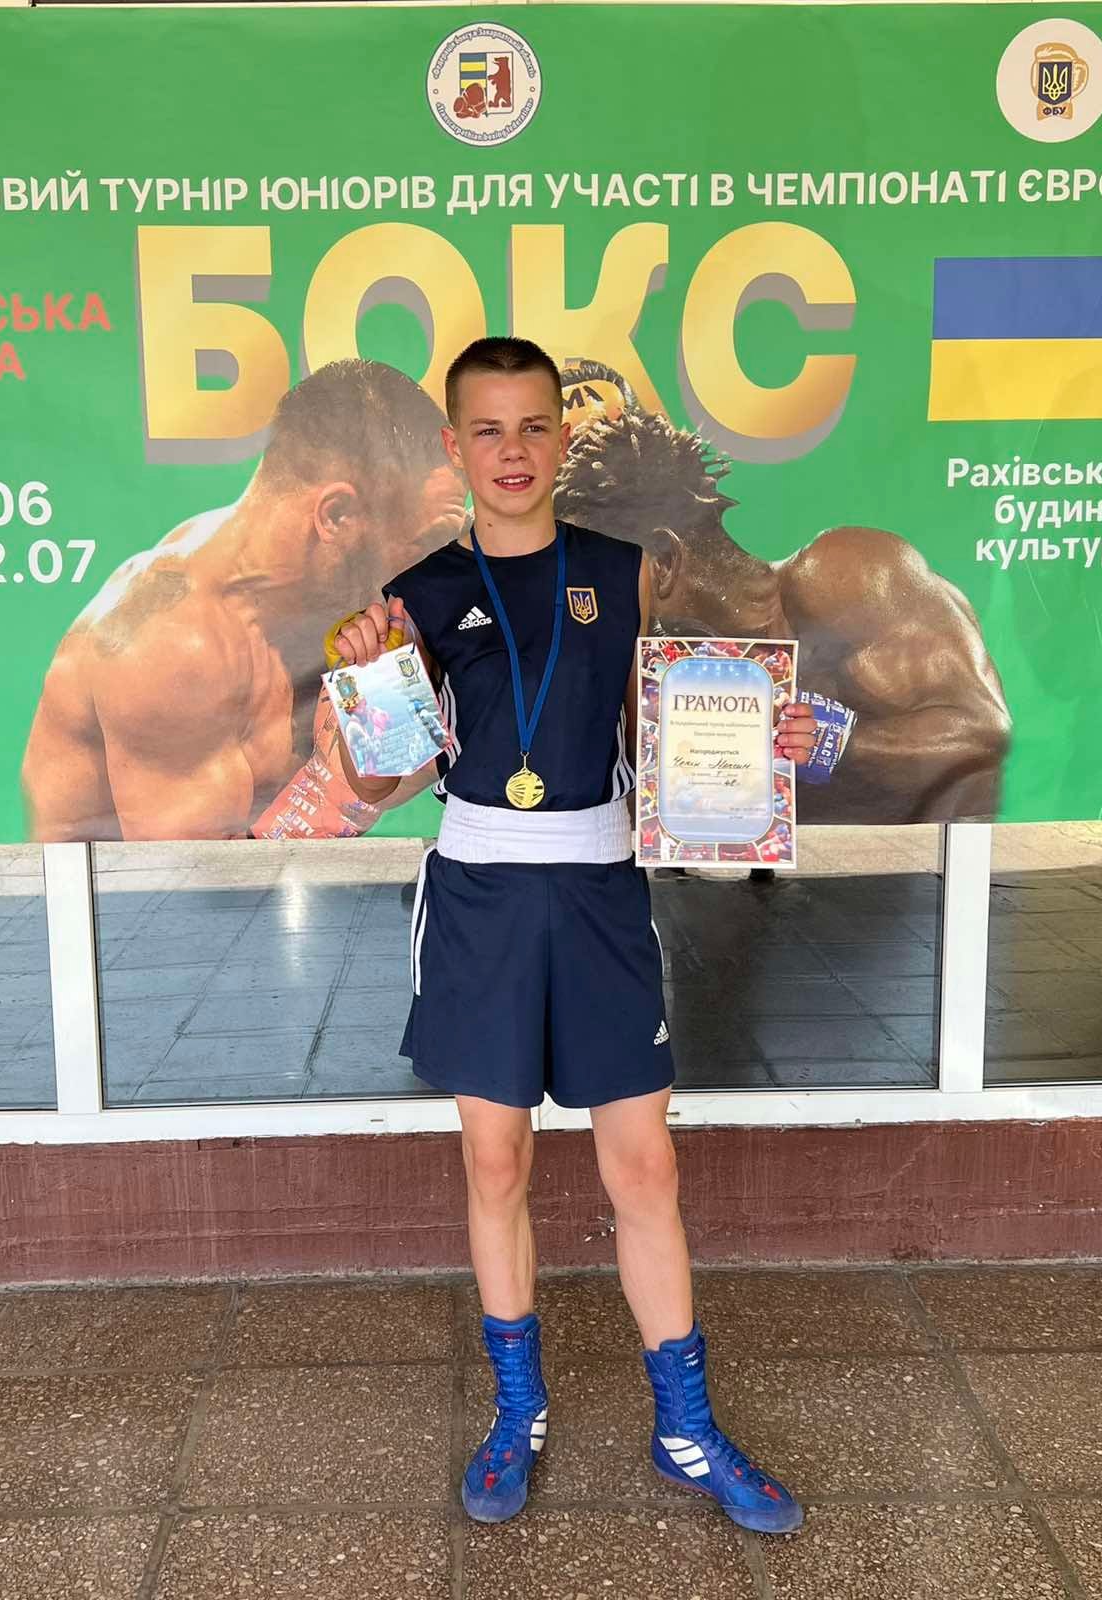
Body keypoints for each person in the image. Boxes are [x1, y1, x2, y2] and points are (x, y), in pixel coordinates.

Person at [329, 336, 817, 1535]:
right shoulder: (417, 595)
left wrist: (778, 739)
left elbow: (676, 728)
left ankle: (686, 1429)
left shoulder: (624, 569)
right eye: (488, 430)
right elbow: (385, 783)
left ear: (561, 436)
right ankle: (517, 1413)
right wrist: (368, 690)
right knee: (496, 1164)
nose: (514, 451)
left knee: (643, 1166)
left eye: (534, 426)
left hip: (599, 891)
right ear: (455, 446)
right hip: (482, 896)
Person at [21, 360, 465, 841]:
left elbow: (388, 773)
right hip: (127, 890)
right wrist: (357, 761)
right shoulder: (173, 645)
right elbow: (195, 878)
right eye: (430, 542)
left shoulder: (318, 598)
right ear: (336, 516)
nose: (442, 565)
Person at [554, 381, 1011, 823]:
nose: (591, 597)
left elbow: (981, 729)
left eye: (600, 571)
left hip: (927, 869)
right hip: (769, 872)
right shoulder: (657, 664)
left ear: (665, 560)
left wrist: (828, 741)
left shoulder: (844, 577)